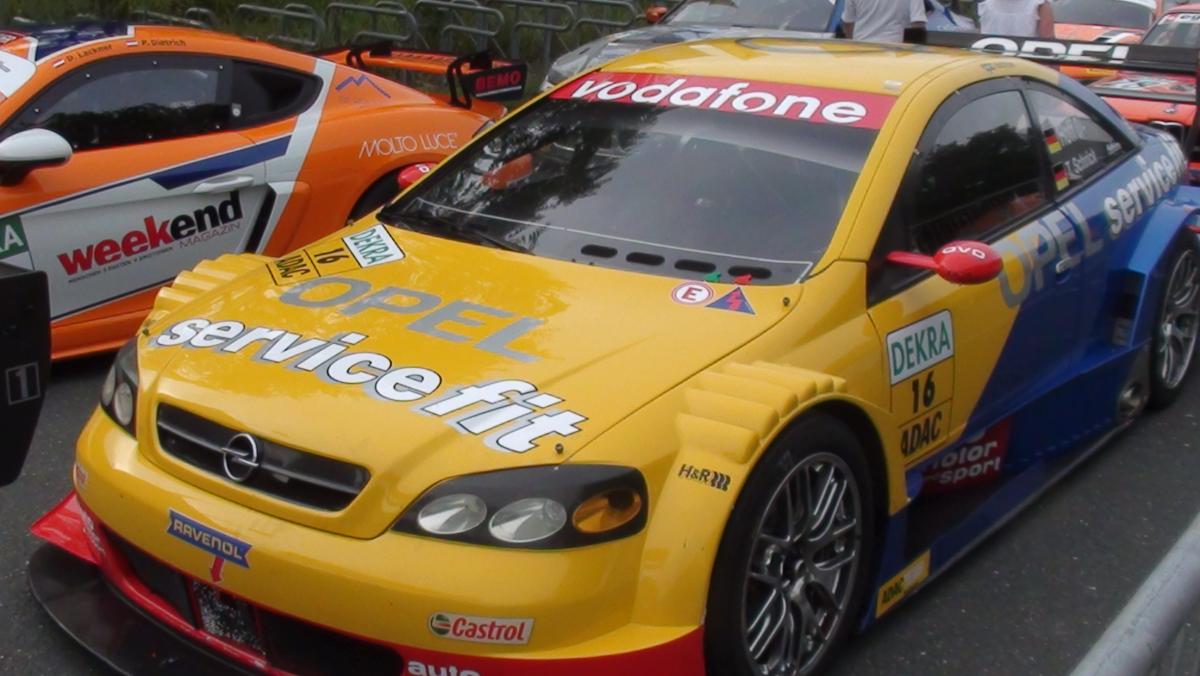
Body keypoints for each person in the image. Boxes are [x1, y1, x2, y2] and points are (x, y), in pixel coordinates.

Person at [842, 0, 926, 43]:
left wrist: (854, 44)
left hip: (861, 48)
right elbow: (918, 24)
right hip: (895, 50)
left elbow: (848, 23)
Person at [979, 0, 1055, 37]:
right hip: (988, 60)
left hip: (1026, 62)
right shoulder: (983, 3)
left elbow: (1048, 42)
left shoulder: (1040, 4)